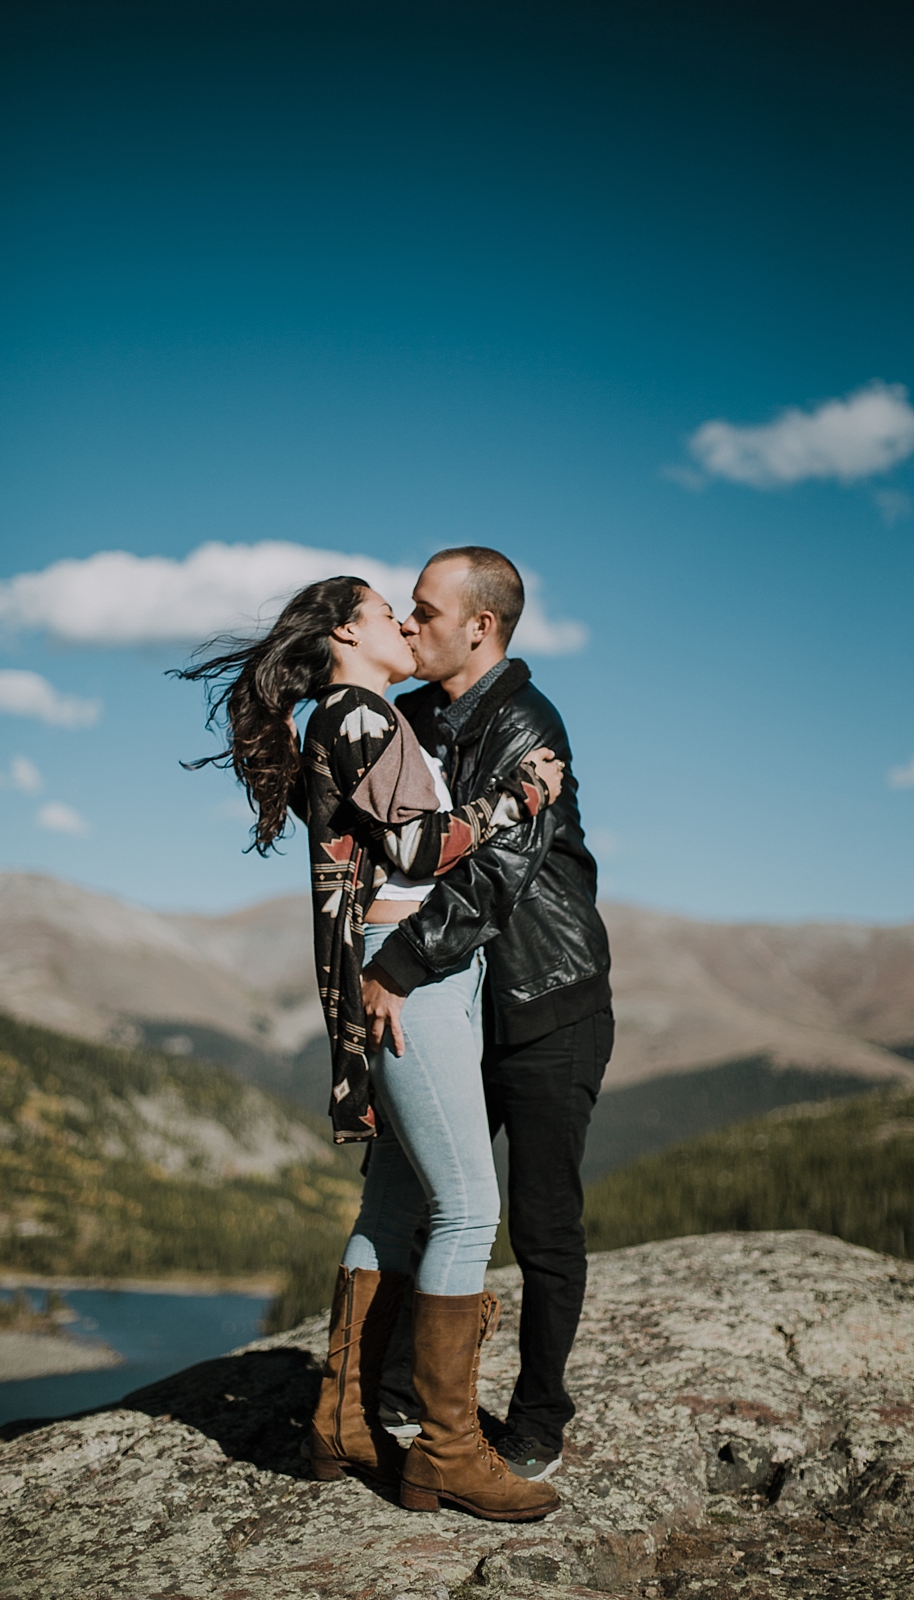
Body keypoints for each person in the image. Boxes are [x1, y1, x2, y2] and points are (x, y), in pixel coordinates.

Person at [177, 575, 563, 1521]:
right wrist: (520, 796)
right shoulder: (355, 716)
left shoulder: (364, 717)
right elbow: (419, 849)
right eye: (385, 608)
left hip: (418, 978)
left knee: (394, 1203)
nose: (401, 618)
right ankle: (445, 1452)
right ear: (349, 629)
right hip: (411, 986)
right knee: (469, 1209)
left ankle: (341, 1422)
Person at [362, 547, 614, 1484]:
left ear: (482, 625)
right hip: (456, 1001)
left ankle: (539, 1417)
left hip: (548, 1000)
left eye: (423, 611)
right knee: (427, 1201)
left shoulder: (525, 722)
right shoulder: (414, 715)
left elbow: (495, 873)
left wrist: (392, 963)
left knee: (540, 1224)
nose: (408, 624)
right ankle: (397, 1393)